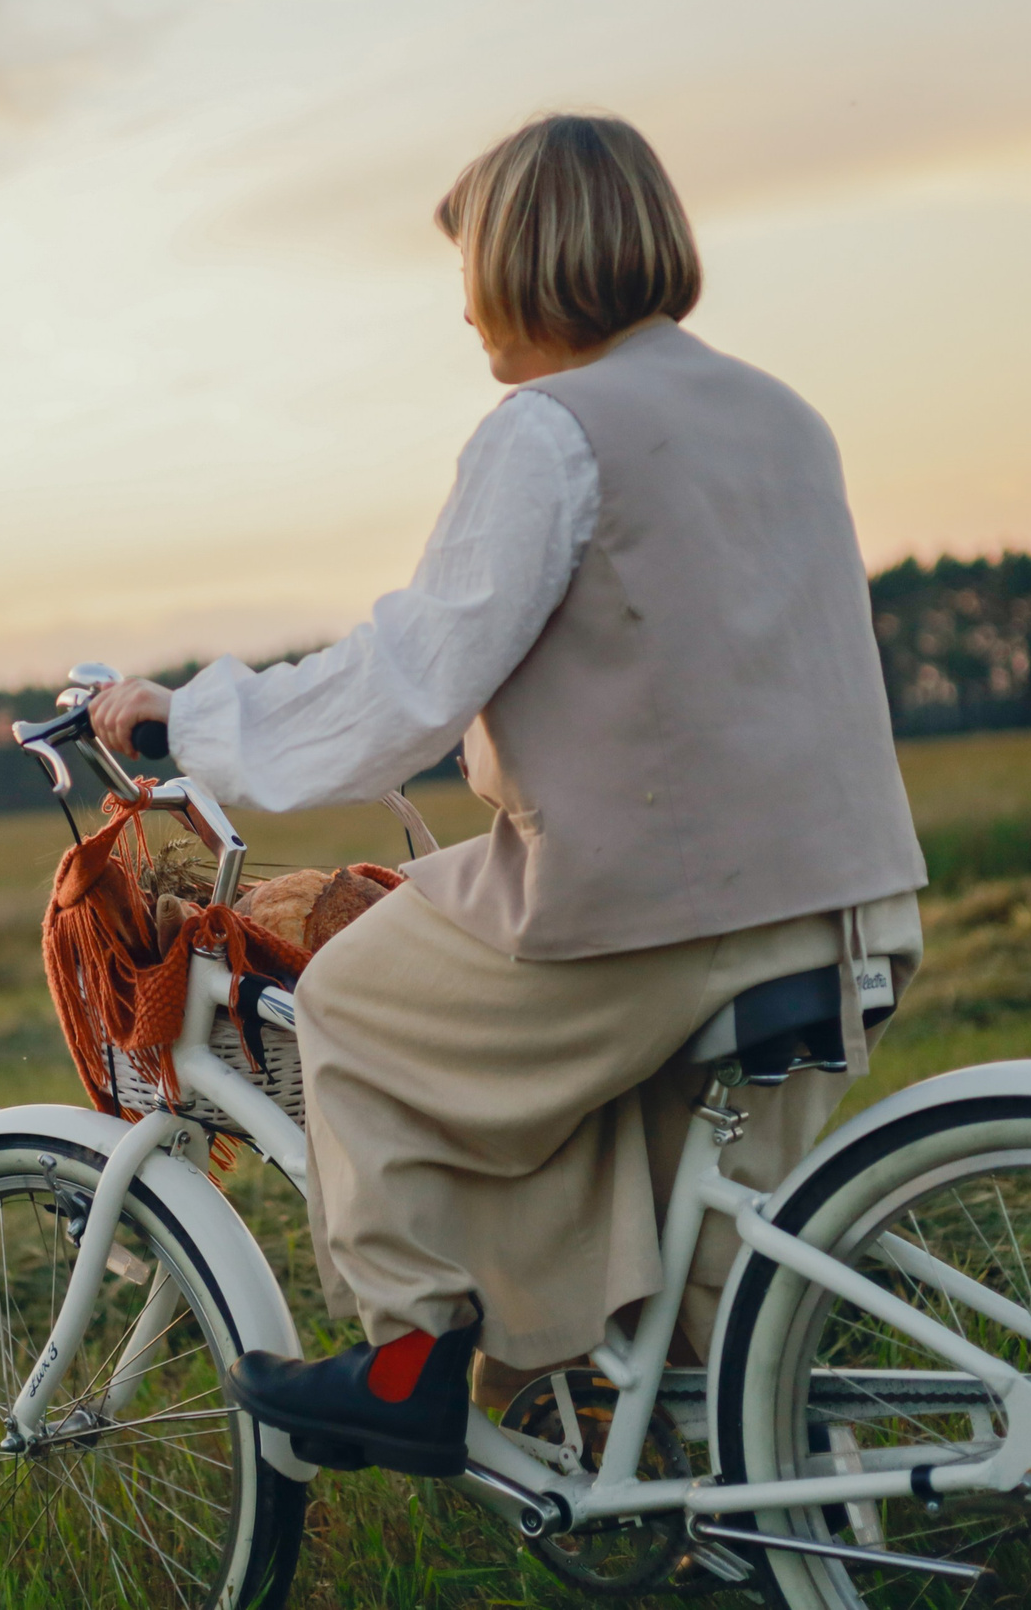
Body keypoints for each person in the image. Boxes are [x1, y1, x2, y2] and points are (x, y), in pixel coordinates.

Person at [90, 112, 925, 1478]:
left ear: (521, 263)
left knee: (352, 999)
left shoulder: (548, 430)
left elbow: (415, 675)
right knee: (716, 1277)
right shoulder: (780, 414)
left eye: (470, 264)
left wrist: (199, 718)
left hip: (657, 907)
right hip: (849, 898)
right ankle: (719, 1492)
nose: (463, 303)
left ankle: (412, 1357)